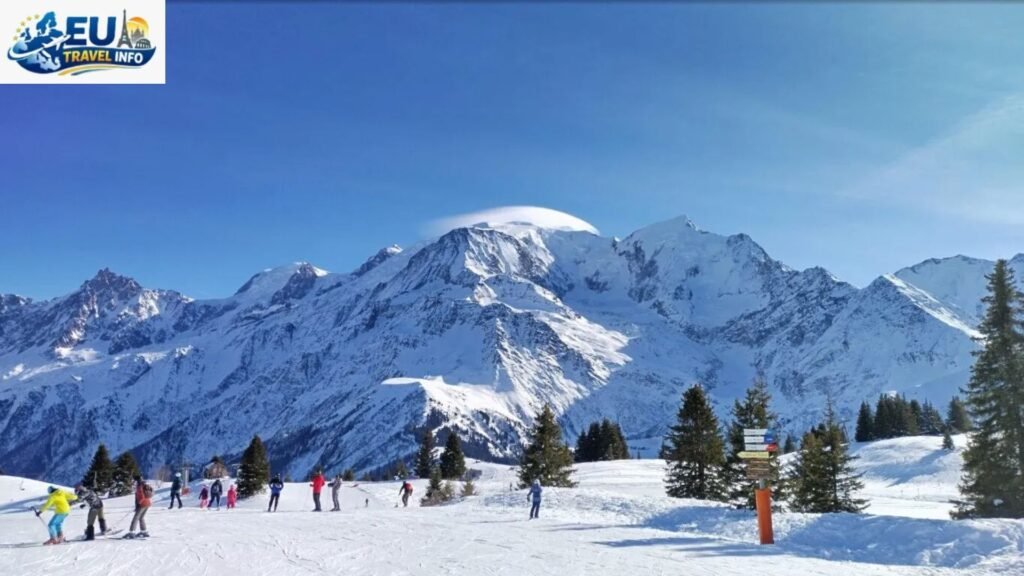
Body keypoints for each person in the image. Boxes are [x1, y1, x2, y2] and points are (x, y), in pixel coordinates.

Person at [125, 475, 152, 539]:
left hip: (142, 504)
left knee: (135, 518)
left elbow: (141, 497)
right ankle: (144, 531)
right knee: (141, 517)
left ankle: (132, 532)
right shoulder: (145, 484)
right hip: (147, 503)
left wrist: (138, 504)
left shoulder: (139, 486)